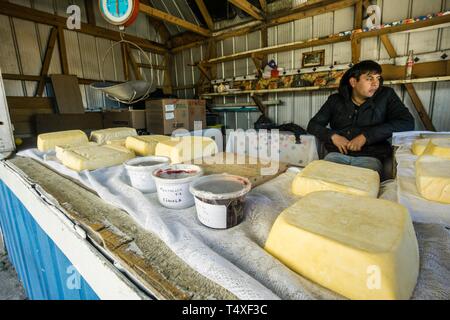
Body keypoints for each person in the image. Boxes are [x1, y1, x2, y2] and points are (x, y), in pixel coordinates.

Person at [307, 60, 415, 177]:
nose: (375, 84)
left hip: (371, 157)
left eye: (377, 78)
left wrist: (366, 137)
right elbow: (313, 125)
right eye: (369, 79)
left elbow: (406, 122)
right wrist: (333, 136)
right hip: (337, 155)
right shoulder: (335, 100)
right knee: (324, 182)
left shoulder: (386, 95)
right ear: (353, 82)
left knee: (360, 186)